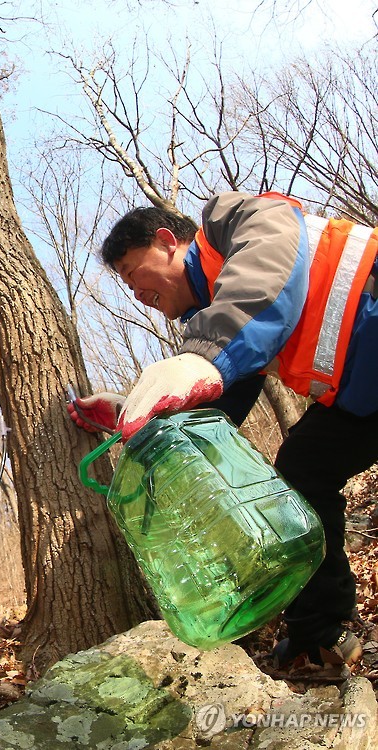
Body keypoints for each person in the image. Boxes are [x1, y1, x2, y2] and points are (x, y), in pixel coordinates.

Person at [68, 190, 378, 668]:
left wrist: (203, 357)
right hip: (364, 396)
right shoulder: (218, 316)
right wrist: (134, 413)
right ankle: (318, 638)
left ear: (167, 241)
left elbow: (265, 271)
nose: (135, 294)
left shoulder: (233, 222)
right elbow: (212, 414)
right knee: (304, 467)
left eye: (131, 273)